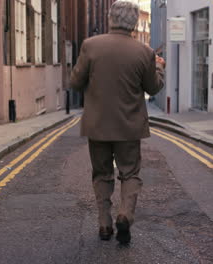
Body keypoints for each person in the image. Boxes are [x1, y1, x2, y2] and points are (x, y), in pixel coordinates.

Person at [70, 0, 166, 244]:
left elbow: (75, 83)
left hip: (98, 124)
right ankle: (125, 214)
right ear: (134, 23)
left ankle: (104, 224)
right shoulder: (144, 52)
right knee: (130, 173)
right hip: (129, 125)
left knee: (101, 174)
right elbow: (153, 87)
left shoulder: (91, 46)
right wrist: (159, 68)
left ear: (111, 18)